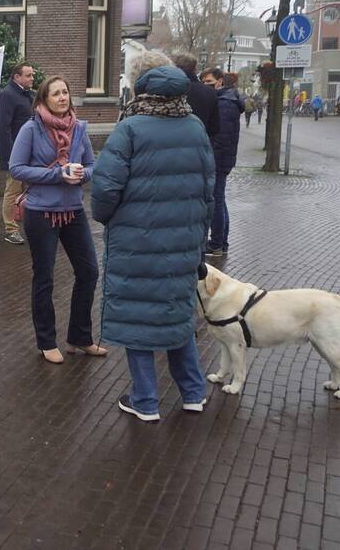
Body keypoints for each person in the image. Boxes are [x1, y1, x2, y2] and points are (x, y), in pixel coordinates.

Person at [90, 51, 214, 421]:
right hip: (183, 242)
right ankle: (193, 392)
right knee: (177, 316)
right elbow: (209, 187)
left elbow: (105, 189)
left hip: (137, 242)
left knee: (137, 318)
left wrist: (106, 217)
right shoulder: (194, 126)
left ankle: (145, 400)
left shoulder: (129, 128)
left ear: (139, 83)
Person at [9, 76, 106, 363]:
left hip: (73, 210)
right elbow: (16, 168)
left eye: (65, 92)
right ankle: (46, 342)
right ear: (43, 100)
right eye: (56, 94)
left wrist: (82, 174)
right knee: (45, 278)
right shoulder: (31, 129)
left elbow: (92, 164)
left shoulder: (79, 129)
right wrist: (56, 175)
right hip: (41, 212)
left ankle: (80, 337)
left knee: (89, 272)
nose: (63, 97)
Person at [204, 69, 244, 257]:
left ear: (220, 81)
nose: (206, 86)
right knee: (220, 200)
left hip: (218, 160)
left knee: (217, 201)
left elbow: (221, 137)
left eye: (210, 82)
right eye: (204, 82)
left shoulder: (224, 103)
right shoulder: (225, 100)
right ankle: (222, 242)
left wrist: (211, 160)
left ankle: (216, 243)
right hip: (222, 158)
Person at [0, 62, 36, 245]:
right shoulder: (7, 95)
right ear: (17, 77)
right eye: (28, 75)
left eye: (32, 75)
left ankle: (30, 222)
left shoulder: (27, 95)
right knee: (12, 190)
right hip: (17, 155)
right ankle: (11, 229)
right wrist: (11, 156)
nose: (32, 78)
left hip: (31, 152)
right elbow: (3, 128)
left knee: (31, 188)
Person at [172, 53, 220, 141]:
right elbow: (215, 127)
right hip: (199, 142)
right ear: (195, 68)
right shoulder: (210, 92)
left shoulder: (170, 89)